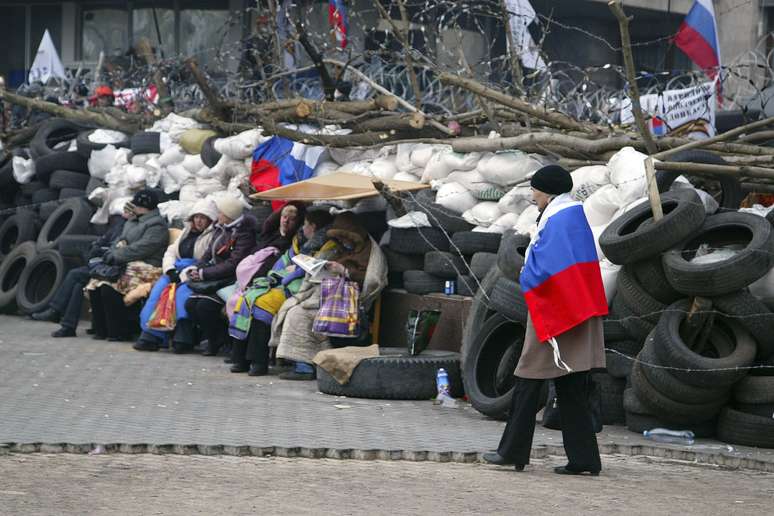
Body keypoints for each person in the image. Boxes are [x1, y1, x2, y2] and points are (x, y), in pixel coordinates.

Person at [483, 165, 608, 476]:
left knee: (527, 379)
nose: (533, 195)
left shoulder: (559, 220)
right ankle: (584, 459)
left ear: (548, 190)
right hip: (577, 310)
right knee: (571, 387)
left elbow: (546, 270)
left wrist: (526, 272)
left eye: (536, 189)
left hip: (558, 314)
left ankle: (512, 452)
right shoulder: (572, 216)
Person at [270, 212, 388, 380]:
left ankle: (305, 367)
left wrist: (344, 271)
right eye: (339, 238)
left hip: (348, 300)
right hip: (328, 294)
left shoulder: (370, 252)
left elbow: (373, 280)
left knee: (301, 314)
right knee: (294, 311)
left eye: (345, 238)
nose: (343, 242)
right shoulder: (338, 248)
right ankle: (304, 364)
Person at [229, 209, 334, 376]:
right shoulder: (300, 242)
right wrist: (280, 274)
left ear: (313, 226)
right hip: (283, 283)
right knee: (246, 298)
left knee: (261, 305)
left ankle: (258, 362)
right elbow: (283, 263)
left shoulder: (326, 246)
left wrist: (290, 274)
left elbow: (306, 271)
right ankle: (240, 359)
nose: (302, 227)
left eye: (305, 224)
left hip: (299, 290)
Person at [174, 197, 258, 356]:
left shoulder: (244, 234)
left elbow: (233, 264)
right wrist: (196, 268)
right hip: (215, 276)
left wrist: (204, 274)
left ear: (228, 214)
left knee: (205, 307)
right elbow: (207, 254)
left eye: (220, 211)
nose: (218, 214)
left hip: (231, 279)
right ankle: (216, 338)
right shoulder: (221, 229)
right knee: (190, 304)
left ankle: (218, 339)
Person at [133, 199, 218, 352]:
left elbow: (208, 259)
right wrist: (170, 270)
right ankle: (151, 335)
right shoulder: (186, 232)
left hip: (193, 274)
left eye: (203, 217)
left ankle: (182, 338)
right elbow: (171, 252)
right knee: (157, 296)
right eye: (196, 217)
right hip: (174, 271)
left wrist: (185, 275)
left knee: (181, 297)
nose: (198, 221)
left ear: (210, 220)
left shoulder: (212, 236)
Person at [85, 189, 169, 341]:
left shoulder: (157, 226)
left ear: (144, 206)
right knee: (97, 284)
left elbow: (142, 248)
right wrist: (110, 253)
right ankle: (101, 330)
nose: (133, 206)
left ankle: (118, 332)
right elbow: (120, 241)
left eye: (136, 204)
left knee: (109, 287)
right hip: (127, 263)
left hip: (148, 267)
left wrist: (115, 255)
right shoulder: (132, 221)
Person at [30, 215, 127, 337]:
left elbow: (121, 248)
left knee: (75, 274)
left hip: (117, 267)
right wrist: (97, 248)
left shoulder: (132, 226)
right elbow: (103, 241)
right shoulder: (121, 224)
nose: (124, 212)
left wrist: (103, 252)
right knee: (78, 285)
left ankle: (56, 311)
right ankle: (68, 326)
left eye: (128, 208)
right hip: (104, 263)